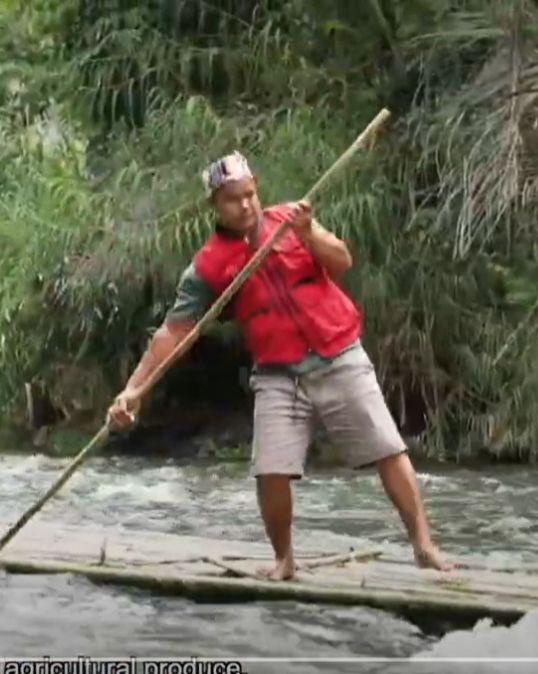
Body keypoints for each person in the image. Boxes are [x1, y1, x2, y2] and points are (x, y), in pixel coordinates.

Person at [106, 151, 451, 580]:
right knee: (270, 469)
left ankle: (423, 545)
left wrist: (309, 235)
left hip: (338, 355)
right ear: (215, 204)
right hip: (278, 373)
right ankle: (284, 559)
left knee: (388, 448)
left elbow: (342, 261)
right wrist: (134, 389)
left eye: (250, 194)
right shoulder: (207, 266)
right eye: (233, 199)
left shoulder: (291, 218)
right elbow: (173, 332)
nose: (246, 205)